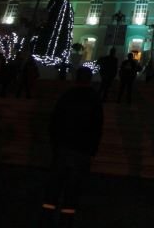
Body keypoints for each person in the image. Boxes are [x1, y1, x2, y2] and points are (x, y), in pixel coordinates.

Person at [41, 66, 103, 228]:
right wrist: (92, 149)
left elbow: (54, 121)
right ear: (89, 80)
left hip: (63, 147)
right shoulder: (93, 99)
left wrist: (55, 143)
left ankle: (47, 216)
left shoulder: (66, 96)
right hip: (81, 149)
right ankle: (66, 220)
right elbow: (97, 126)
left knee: (55, 184)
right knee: (73, 187)